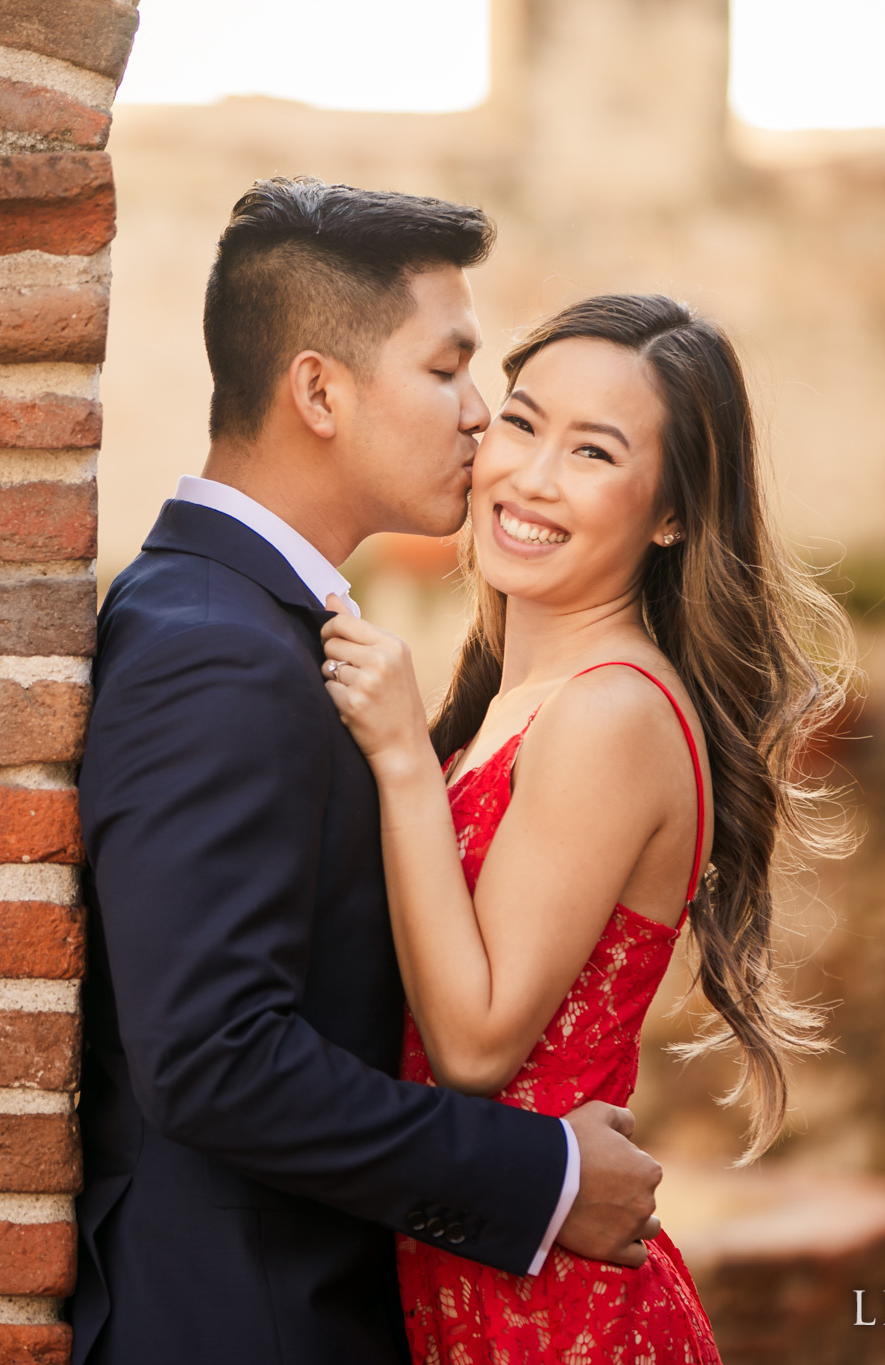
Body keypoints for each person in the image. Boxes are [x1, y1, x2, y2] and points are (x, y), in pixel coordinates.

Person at [72, 180, 664, 1365]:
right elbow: (212, 1060)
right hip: (240, 1325)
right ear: (318, 392)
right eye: (447, 371)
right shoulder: (215, 651)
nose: (479, 417)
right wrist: (541, 1177)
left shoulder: (246, 618)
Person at [320, 292, 854, 1361]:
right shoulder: (507, 704)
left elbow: (474, 1044)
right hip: (468, 1256)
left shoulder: (610, 713)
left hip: (549, 1305)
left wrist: (395, 761)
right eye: (520, 422)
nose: (529, 476)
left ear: (670, 514)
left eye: (593, 453)